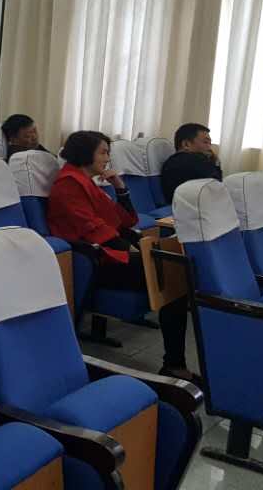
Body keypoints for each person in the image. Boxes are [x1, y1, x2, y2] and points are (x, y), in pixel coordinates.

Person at [48, 131, 192, 381]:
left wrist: (120, 187)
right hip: (95, 260)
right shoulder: (68, 184)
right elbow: (91, 229)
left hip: (109, 253)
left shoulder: (87, 182)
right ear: (85, 153)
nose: (107, 158)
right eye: (103, 152)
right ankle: (174, 364)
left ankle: (175, 362)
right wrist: (132, 250)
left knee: (173, 271)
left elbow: (126, 221)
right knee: (170, 274)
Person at [160, 122, 222, 205]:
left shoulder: (173, 161)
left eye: (209, 143)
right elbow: (217, 185)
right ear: (186, 144)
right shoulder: (195, 160)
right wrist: (215, 161)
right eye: (205, 142)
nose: (209, 148)